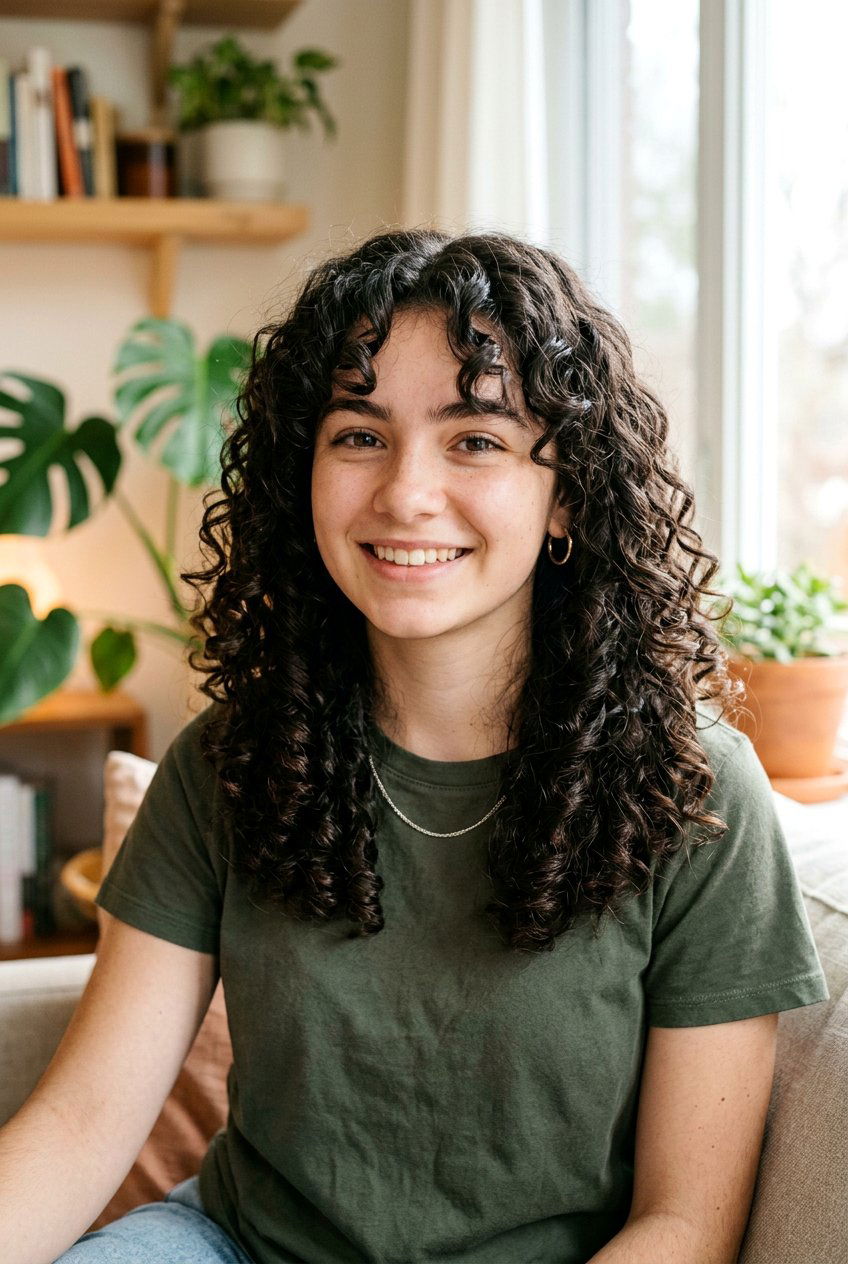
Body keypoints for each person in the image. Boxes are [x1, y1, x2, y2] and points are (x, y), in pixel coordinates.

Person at [1, 228, 829, 1264]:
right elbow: (80, 1127)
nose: (404, 492)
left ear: (564, 492)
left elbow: (684, 1222)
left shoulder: (693, 791)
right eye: (358, 434)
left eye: (473, 438)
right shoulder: (231, 758)